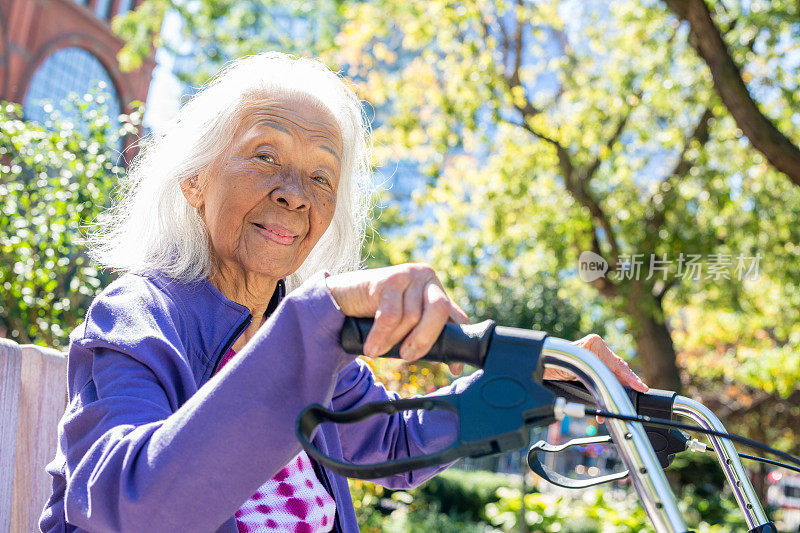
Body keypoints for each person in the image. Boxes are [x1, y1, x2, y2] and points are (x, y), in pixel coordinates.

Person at [38, 52, 648, 533]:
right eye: (264, 155)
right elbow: (128, 510)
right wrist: (314, 320)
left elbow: (396, 439)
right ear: (194, 181)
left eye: (320, 175)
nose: (294, 193)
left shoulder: (301, 333)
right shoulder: (138, 316)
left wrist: (537, 380)